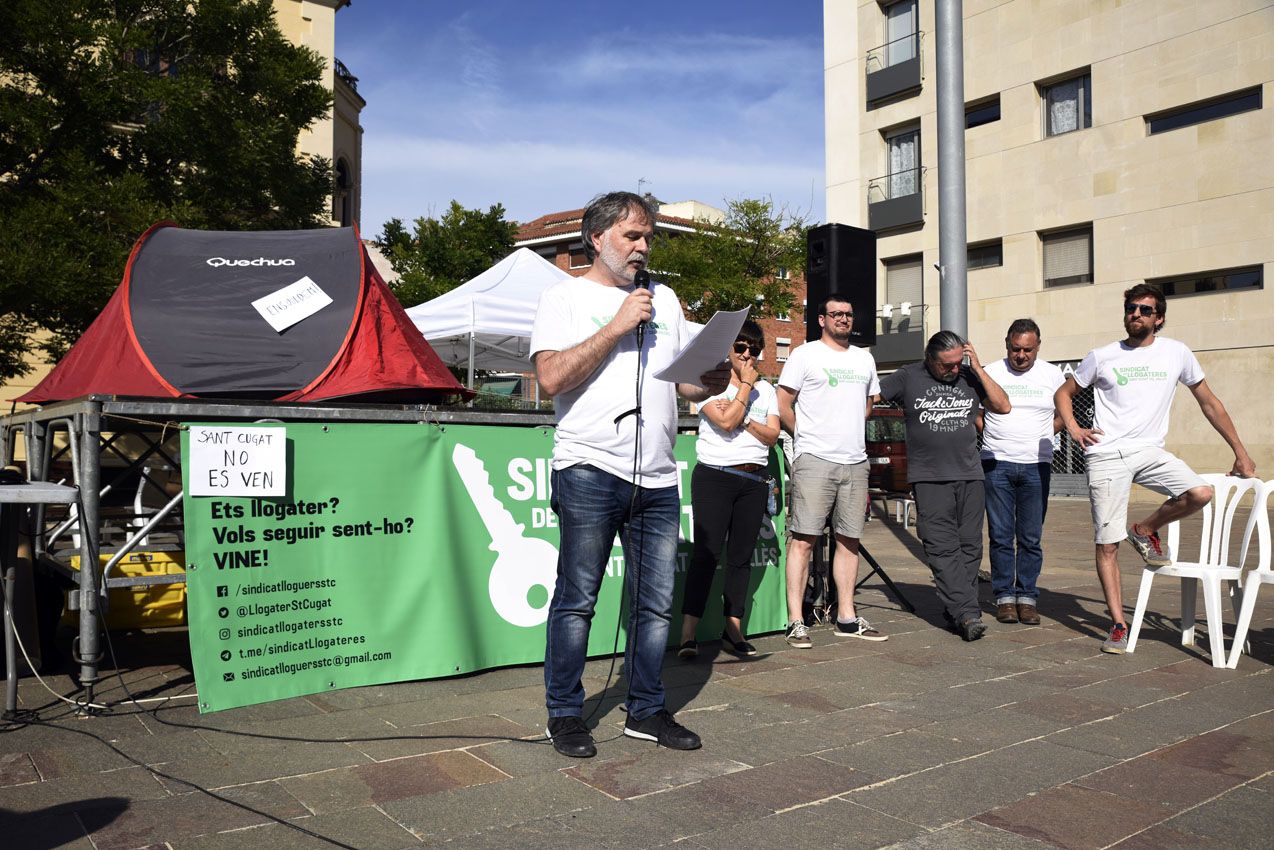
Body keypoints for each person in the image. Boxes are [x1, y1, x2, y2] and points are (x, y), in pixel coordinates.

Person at [530, 191, 728, 759]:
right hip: (589, 468)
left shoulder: (665, 300)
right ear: (598, 238)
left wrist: (707, 379)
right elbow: (550, 378)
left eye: (648, 237)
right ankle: (565, 714)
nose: (643, 248)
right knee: (577, 600)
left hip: (659, 474)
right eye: (632, 237)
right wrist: (617, 325)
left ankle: (645, 709)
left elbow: (684, 385)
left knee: (654, 603)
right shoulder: (563, 296)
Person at [1055, 284, 1256, 654]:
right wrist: (1073, 428)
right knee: (1107, 542)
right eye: (1132, 308)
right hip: (1106, 454)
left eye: (1145, 310)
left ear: (1158, 318)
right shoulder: (1102, 356)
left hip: (1150, 451)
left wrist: (1240, 452)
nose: (1136, 314)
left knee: (1200, 493)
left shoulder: (1176, 353)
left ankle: (1145, 528)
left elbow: (1209, 403)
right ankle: (1118, 625)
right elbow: (1064, 394)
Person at [879, 331, 1010, 641]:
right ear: (930, 359)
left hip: (970, 474)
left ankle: (957, 609)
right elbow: (871, 397)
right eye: (946, 365)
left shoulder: (969, 375)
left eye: (957, 363)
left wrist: (977, 368)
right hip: (929, 477)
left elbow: (1002, 406)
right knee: (941, 547)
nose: (953, 370)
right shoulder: (907, 376)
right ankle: (967, 612)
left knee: (970, 547)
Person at [777, 295, 886, 649]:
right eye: (836, 314)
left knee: (849, 540)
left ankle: (846, 617)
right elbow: (783, 401)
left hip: (855, 461)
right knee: (804, 539)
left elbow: (869, 403)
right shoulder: (804, 354)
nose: (843, 319)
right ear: (821, 319)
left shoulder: (864, 358)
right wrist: (804, 436)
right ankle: (796, 620)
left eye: (849, 313)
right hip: (815, 459)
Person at [677, 320, 780, 659]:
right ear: (729, 350)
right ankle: (688, 634)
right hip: (715, 476)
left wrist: (746, 417)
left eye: (754, 349)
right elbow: (723, 422)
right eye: (741, 348)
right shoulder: (712, 382)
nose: (748, 355)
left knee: (740, 558)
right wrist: (744, 391)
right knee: (706, 556)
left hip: (753, 481)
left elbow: (773, 435)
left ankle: (732, 629)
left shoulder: (766, 390)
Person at [978, 319, 1065, 626]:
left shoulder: (1053, 375)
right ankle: (1003, 597)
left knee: (1030, 536)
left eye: (1028, 349)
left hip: (1036, 465)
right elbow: (977, 412)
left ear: (1038, 347)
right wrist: (992, 433)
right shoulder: (991, 372)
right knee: (1001, 536)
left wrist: (1043, 433)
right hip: (996, 463)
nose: (1021, 355)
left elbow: (1062, 413)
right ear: (1007, 344)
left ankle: (1026, 597)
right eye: (1016, 349)